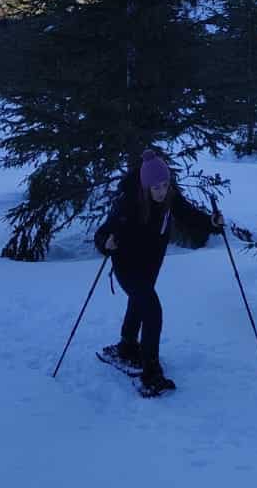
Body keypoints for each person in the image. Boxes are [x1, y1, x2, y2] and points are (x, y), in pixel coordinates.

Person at [94, 149, 223, 394]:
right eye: (156, 187)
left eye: (165, 185)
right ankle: (150, 372)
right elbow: (102, 233)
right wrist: (106, 243)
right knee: (152, 309)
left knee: (139, 303)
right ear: (145, 187)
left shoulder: (169, 198)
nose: (161, 191)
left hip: (151, 265)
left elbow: (189, 216)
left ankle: (127, 346)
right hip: (127, 266)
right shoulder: (128, 204)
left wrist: (212, 223)